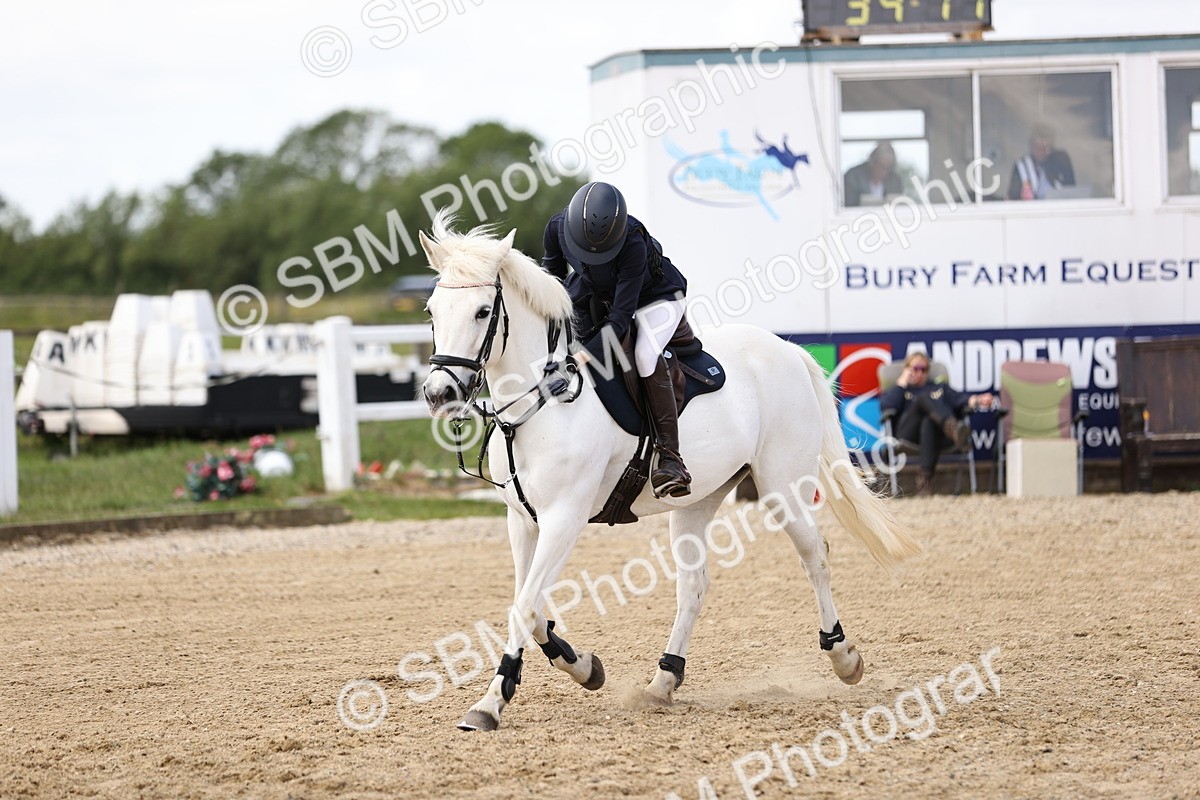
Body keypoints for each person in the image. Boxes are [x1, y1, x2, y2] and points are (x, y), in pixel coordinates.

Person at [541, 181, 692, 498]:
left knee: (644, 355)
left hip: (656, 299)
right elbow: (551, 276)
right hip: (598, 292)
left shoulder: (632, 242)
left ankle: (670, 457)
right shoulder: (557, 227)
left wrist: (576, 361)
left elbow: (621, 319)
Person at [880, 352, 995, 497]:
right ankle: (953, 428)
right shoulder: (901, 390)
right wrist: (902, 381)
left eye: (923, 369)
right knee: (923, 398)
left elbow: (961, 399)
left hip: (937, 436)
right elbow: (887, 407)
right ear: (907, 369)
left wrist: (979, 400)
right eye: (915, 368)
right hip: (908, 434)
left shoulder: (939, 388)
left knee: (929, 422)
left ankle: (925, 482)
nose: (920, 372)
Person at [1008, 123, 1075, 200]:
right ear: (1031, 146)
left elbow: (1071, 190)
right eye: (1037, 147)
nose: (1041, 152)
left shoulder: (1060, 161)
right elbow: (1013, 196)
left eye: (1045, 148)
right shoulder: (1021, 165)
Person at [843, 142, 903, 207]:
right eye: (881, 166)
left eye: (888, 168)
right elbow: (849, 206)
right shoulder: (853, 177)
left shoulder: (894, 181)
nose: (884, 172)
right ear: (872, 162)